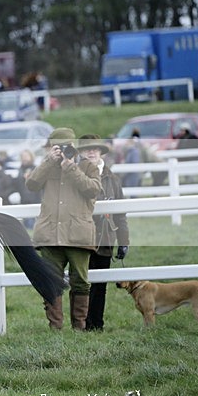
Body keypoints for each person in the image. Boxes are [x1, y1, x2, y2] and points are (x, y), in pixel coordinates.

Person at [26, 128, 101, 331]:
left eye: (66, 147)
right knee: (51, 281)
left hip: (78, 235)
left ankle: (79, 327)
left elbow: (92, 189)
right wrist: (49, 160)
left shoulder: (87, 166)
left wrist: (70, 167)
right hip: (50, 235)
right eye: (57, 147)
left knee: (80, 282)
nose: (62, 151)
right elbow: (31, 184)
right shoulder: (47, 167)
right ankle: (55, 328)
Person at [77, 134, 130, 332]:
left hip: (105, 237)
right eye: (87, 148)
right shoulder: (74, 176)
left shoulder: (112, 179)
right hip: (80, 237)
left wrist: (124, 240)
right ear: (81, 153)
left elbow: (120, 213)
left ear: (100, 151)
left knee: (100, 285)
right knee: (81, 283)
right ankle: (80, 324)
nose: (91, 151)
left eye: (95, 148)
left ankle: (96, 324)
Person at [15, 149, 41, 229]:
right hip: (24, 199)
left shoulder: (36, 169)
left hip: (34, 200)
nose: (24, 158)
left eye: (26, 156)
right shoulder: (20, 170)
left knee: (32, 225)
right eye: (23, 156)